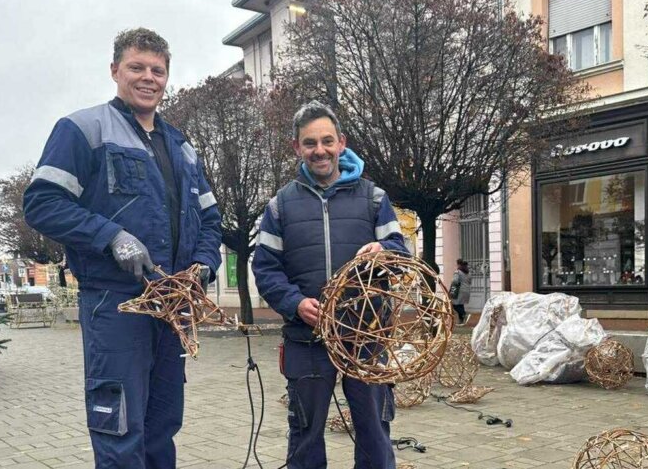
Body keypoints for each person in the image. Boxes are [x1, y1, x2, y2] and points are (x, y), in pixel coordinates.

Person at [23, 28, 222, 468]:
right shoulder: (83, 129)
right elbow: (41, 203)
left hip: (172, 307)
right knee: (119, 427)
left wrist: (205, 265)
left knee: (163, 424)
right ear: (115, 71)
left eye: (157, 70)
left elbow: (210, 219)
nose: (148, 77)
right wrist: (110, 236)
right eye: (137, 67)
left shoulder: (182, 147)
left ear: (167, 77)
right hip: (115, 307)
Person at [252, 100, 408, 469]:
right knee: (305, 434)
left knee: (373, 428)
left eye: (326, 141)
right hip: (307, 338)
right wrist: (294, 304)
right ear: (297, 148)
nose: (319, 150)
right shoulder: (280, 207)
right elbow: (265, 269)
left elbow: (401, 254)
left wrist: (384, 250)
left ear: (341, 142)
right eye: (310, 143)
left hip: (365, 338)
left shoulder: (374, 198)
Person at [449, 259, 471, 325]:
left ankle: (465, 314)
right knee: (460, 305)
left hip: (459, 291)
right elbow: (470, 282)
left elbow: (455, 281)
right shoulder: (468, 273)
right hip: (466, 291)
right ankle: (461, 321)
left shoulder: (457, 272)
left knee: (454, 305)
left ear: (458, 264)